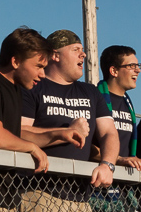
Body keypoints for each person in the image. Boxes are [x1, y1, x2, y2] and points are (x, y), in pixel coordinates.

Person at [0, 27, 84, 211]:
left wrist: (58, 134)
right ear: (16, 61)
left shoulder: (17, 88)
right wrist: (32, 148)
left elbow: (16, 136)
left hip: (9, 196)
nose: (42, 74)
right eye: (38, 66)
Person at [21, 30, 120, 211]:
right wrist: (66, 133)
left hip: (81, 197)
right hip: (40, 192)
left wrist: (108, 165)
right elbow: (20, 132)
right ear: (55, 55)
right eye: (75, 49)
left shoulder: (91, 92)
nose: (83, 54)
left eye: (82, 49)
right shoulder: (33, 86)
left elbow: (109, 132)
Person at [95, 45, 141, 175]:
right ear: (114, 71)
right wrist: (118, 159)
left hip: (122, 181)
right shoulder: (95, 98)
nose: (138, 70)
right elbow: (85, 147)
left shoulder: (128, 103)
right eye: (131, 66)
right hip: (97, 179)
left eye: (138, 66)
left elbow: (127, 154)